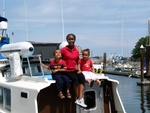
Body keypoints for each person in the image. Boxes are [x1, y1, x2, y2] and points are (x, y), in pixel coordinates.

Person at [60, 33, 87, 107]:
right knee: (75, 79)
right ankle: (79, 98)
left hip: (73, 69)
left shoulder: (76, 50)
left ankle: (80, 99)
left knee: (82, 77)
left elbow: (78, 61)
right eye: (69, 39)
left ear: (74, 40)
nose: (71, 40)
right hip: (66, 70)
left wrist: (79, 69)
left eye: (72, 39)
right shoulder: (63, 50)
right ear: (67, 40)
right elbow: (59, 59)